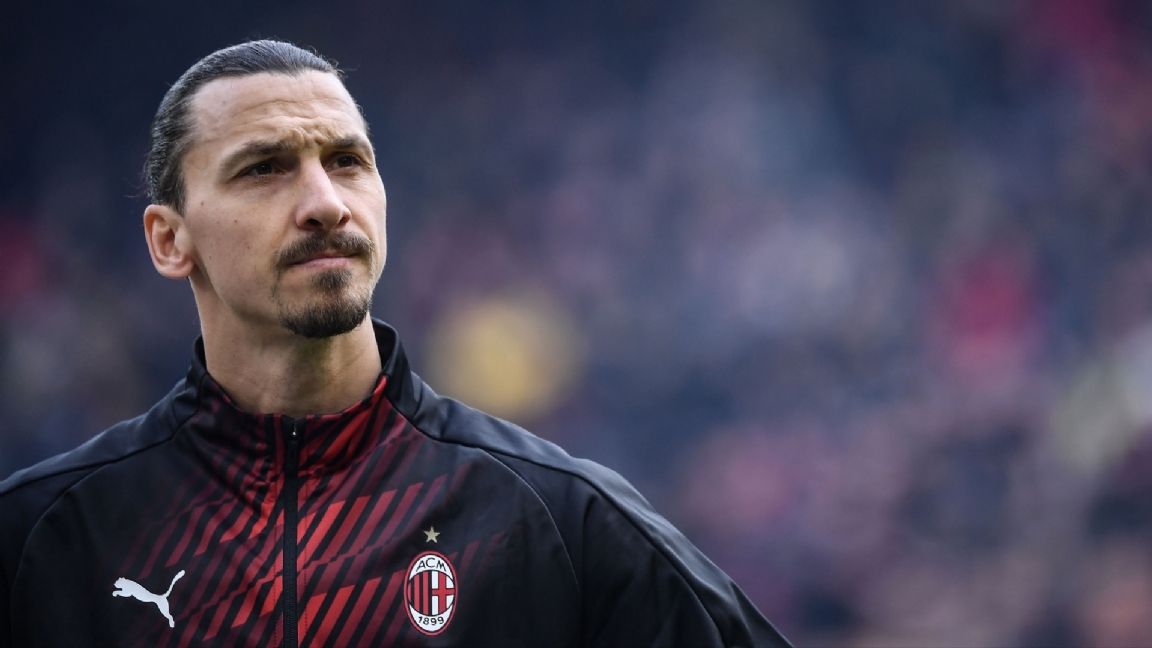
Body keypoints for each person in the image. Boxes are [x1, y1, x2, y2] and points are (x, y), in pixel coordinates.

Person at [0, 40, 791, 647]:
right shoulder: (45, 537)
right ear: (170, 240)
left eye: (347, 161)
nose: (325, 202)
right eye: (264, 169)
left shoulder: (561, 523)